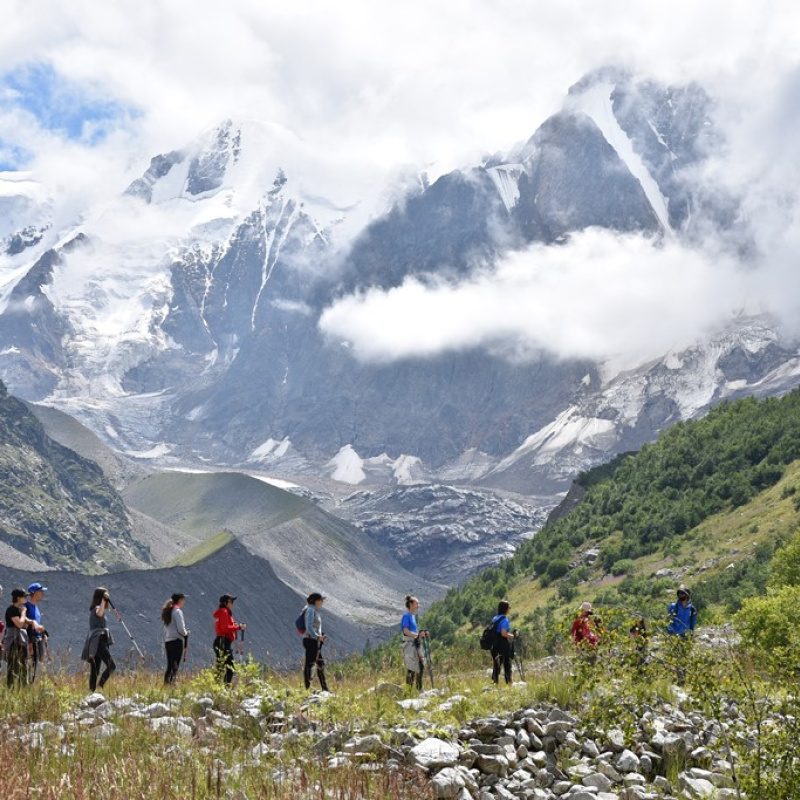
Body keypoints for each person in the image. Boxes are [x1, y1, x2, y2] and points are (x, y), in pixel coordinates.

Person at [81, 587, 116, 692]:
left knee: (95, 669)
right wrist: (104, 601)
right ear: (101, 597)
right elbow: (99, 613)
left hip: (95, 641)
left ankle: (91, 692)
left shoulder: (94, 608)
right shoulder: (97, 608)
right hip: (99, 640)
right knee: (112, 665)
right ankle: (100, 686)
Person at [213, 594, 245, 684]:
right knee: (230, 666)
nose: (232, 604)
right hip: (223, 641)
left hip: (221, 641)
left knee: (221, 665)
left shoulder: (222, 612)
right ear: (225, 603)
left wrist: (234, 626)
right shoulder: (224, 612)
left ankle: (217, 686)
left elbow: (224, 626)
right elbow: (225, 628)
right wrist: (238, 627)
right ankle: (225, 687)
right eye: (231, 602)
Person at [2, 588, 30, 688]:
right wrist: (23, 613)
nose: (26, 598)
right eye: (24, 596)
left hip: (21, 641)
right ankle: (11, 688)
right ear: (18, 598)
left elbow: (25, 625)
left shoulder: (19, 610)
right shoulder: (12, 610)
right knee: (13, 666)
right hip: (14, 641)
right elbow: (19, 624)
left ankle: (23, 687)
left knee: (23, 665)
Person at [302, 592, 329, 692]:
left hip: (313, 640)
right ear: (316, 601)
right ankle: (310, 687)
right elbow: (309, 626)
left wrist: (320, 636)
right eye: (321, 600)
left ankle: (322, 688)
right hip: (310, 640)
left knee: (318, 663)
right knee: (311, 663)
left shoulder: (313, 610)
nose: (322, 602)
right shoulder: (311, 610)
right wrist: (317, 637)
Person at [401, 595, 429, 690]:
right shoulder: (406, 616)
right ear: (411, 604)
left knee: (420, 665)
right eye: (417, 603)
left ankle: (418, 688)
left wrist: (420, 634)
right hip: (409, 644)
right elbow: (405, 631)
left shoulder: (412, 616)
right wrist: (417, 635)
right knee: (411, 667)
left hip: (415, 643)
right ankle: (409, 690)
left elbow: (411, 631)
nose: (418, 605)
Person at [162, 593, 189, 685]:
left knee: (169, 664)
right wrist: (186, 633)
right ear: (180, 600)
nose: (184, 602)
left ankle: (166, 684)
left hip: (168, 641)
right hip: (176, 641)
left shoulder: (168, 611)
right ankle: (172, 684)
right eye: (183, 600)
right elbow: (181, 629)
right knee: (175, 665)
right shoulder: (177, 612)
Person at [25, 582, 48, 683]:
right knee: (28, 664)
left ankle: (30, 684)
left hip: (37, 639)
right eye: (40, 591)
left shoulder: (36, 608)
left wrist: (43, 634)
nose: (42, 593)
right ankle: (25, 685)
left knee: (34, 665)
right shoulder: (26, 606)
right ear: (34, 593)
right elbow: (24, 623)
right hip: (29, 640)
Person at [490, 600, 515, 686]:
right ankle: (509, 682)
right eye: (509, 607)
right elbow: (503, 633)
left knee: (497, 663)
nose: (509, 609)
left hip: (494, 644)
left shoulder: (495, 618)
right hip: (502, 643)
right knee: (507, 663)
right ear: (506, 609)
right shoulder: (505, 620)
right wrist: (512, 636)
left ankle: (495, 681)